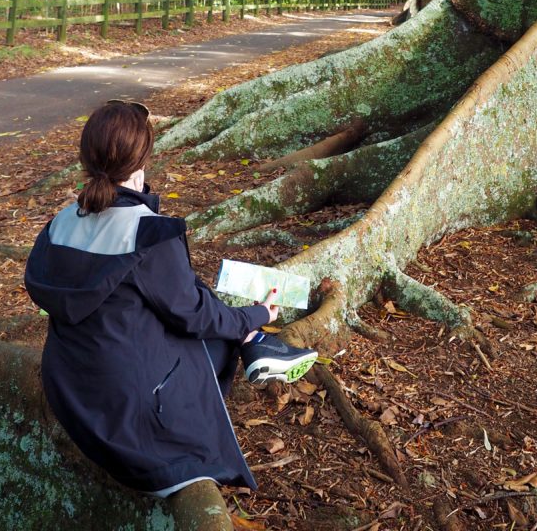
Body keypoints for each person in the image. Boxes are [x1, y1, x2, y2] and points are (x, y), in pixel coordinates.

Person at [24, 100, 317, 497]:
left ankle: (256, 344)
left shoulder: (60, 224)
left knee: (202, 313)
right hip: (127, 411)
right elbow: (193, 315)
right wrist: (255, 314)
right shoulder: (147, 232)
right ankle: (256, 343)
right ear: (141, 162)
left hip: (72, 391)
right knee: (213, 334)